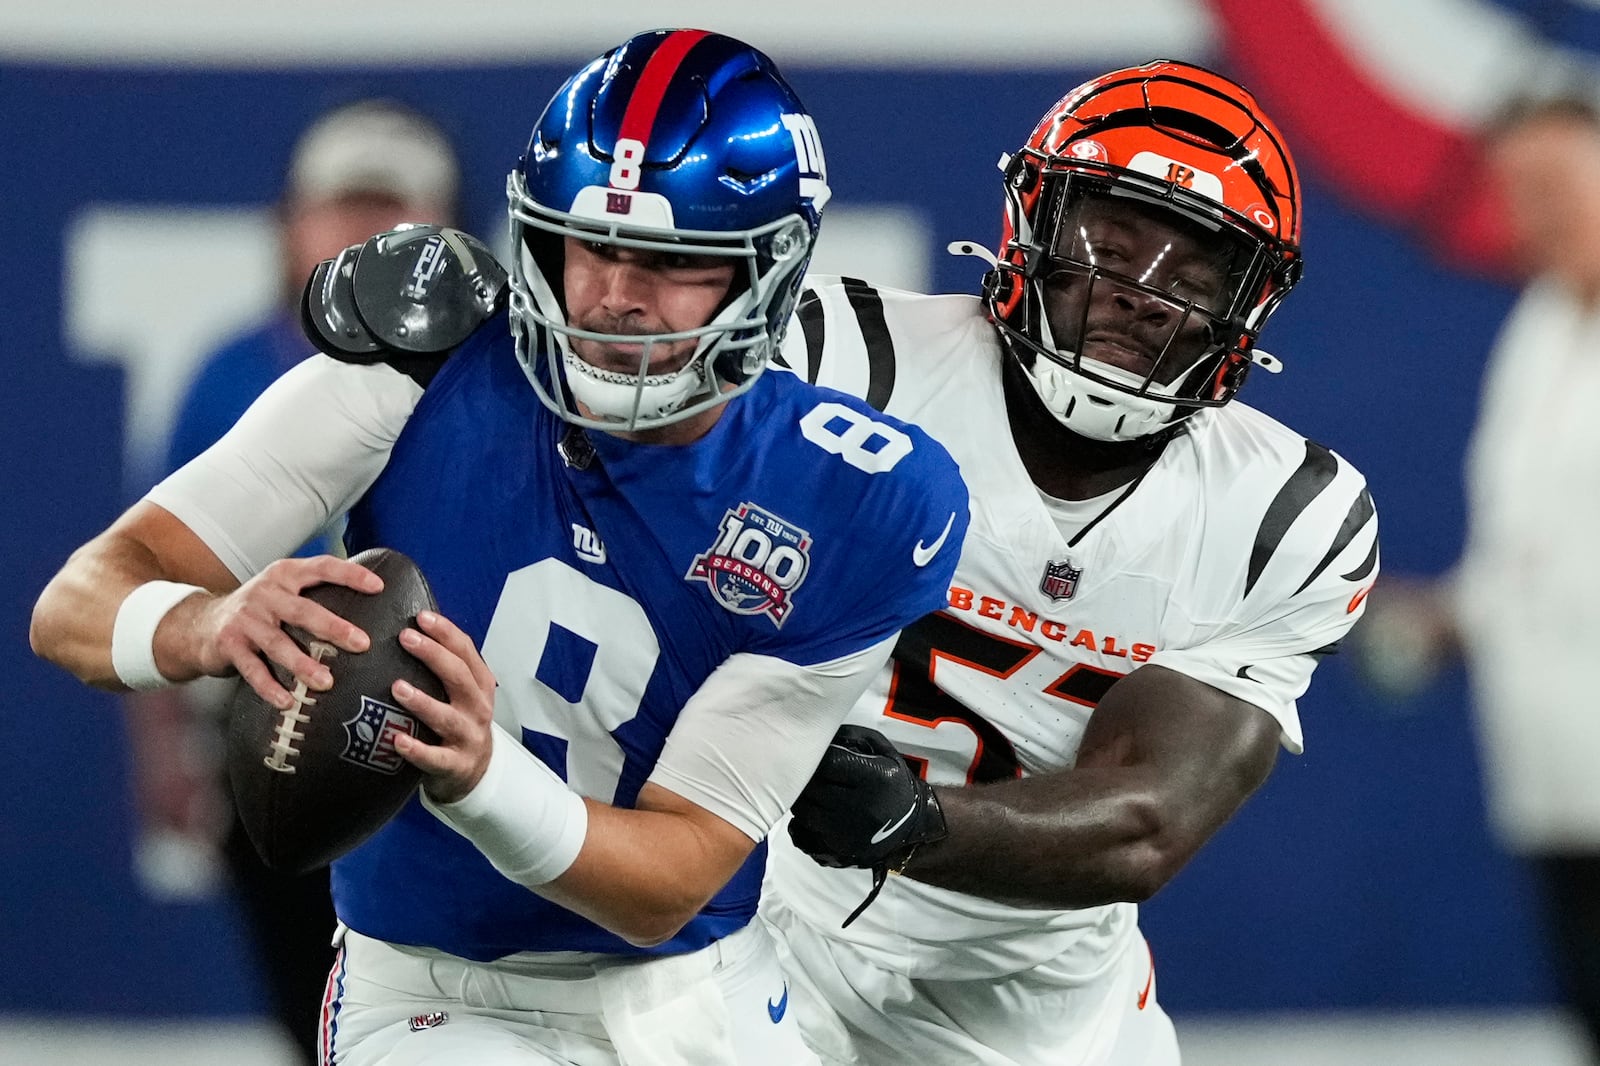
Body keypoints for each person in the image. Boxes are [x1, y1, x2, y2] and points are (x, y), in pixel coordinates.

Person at [31, 28, 968, 1066]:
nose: (616, 294)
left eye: (671, 260)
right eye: (591, 245)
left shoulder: (853, 494)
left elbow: (670, 879)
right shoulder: (413, 370)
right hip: (438, 989)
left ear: (771, 272)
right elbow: (75, 600)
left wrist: (480, 776)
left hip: (703, 988)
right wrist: (205, 619)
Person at [760, 60, 1379, 1065]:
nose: (1141, 295)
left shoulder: (1286, 513)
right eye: (1111, 243)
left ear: (1249, 307)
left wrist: (910, 821)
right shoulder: (846, 358)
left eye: (1192, 276)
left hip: (1042, 1007)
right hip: (760, 934)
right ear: (1029, 228)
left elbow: (1145, 823)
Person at [120, 96, 463, 1066]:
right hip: (263, 728)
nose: (367, 235)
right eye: (345, 208)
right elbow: (142, 576)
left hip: (441, 731)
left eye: (394, 212)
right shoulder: (232, 374)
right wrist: (161, 748)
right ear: (291, 227)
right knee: (313, 1016)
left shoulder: (487, 376)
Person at [1351, 94, 1600, 1060]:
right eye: (1517, 190)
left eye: (1557, 184)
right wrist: (1449, 615)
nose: (1535, 211)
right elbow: (1532, 554)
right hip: (1553, 779)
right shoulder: (1538, 328)